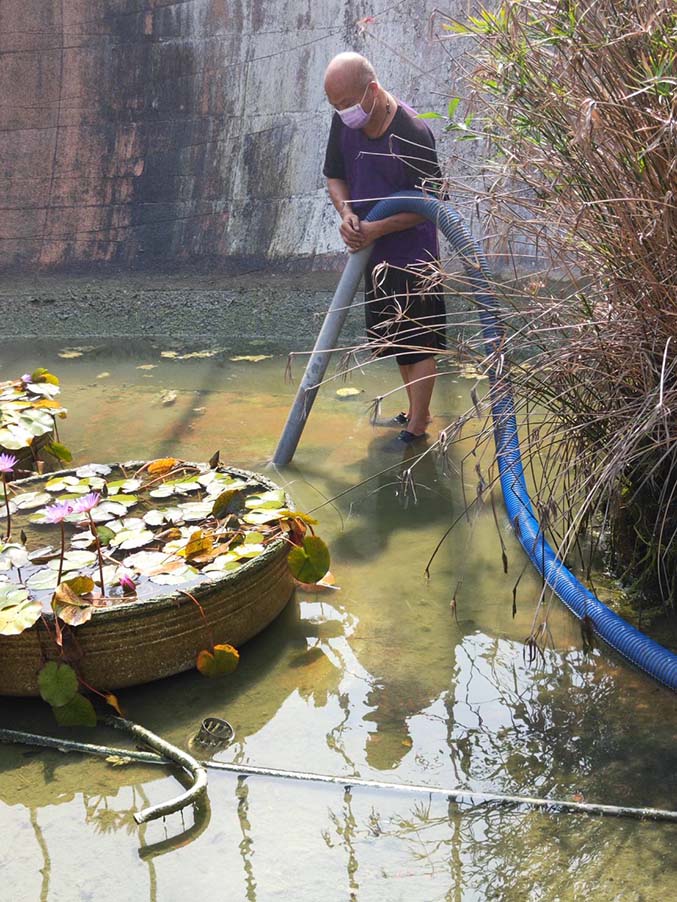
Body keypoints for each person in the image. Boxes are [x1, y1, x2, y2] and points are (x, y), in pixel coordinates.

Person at [322, 51, 446, 444]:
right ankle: (417, 412)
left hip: (413, 256)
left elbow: (433, 202)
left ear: (372, 91)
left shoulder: (411, 132)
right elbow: (335, 176)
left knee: (419, 343)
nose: (343, 112)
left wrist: (377, 227)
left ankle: (417, 428)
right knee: (396, 341)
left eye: (347, 103)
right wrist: (347, 215)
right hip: (372, 253)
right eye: (335, 105)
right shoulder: (344, 121)